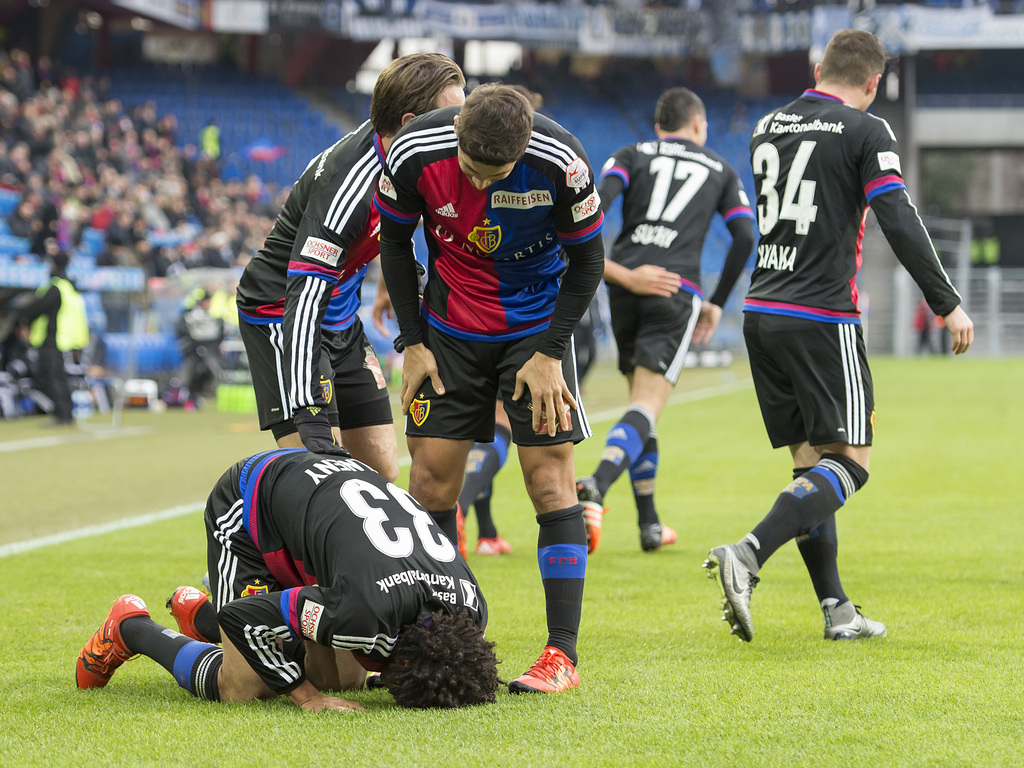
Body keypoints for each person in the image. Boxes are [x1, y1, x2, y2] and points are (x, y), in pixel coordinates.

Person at [704, 29, 974, 643]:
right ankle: (747, 553)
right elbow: (897, 216)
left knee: (811, 466)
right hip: (822, 316)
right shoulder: (867, 129)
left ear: (819, 66)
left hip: (762, 310)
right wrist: (946, 302)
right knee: (852, 465)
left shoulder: (767, 125)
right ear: (874, 83)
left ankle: (837, 609)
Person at [375, 84, 605, 693]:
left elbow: (588, 263)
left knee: (549, 479)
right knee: (429, 482)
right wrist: (412, 341)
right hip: (447, 332)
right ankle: (440, 640)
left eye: (494, 173)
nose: (477, 185)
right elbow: (395, 246)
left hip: (536, 332)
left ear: (524, 148)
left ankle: (562, 656)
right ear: (456, 136)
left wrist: (552, 354)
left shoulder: (564, 162)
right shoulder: (413, 151)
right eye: (471, 170)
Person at [76, 448, 500, 710]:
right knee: (244, 686)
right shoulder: (360, 611)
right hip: (251, 503)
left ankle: (202, 618)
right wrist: (307, 698)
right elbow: (244, 617)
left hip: (325, 520)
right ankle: (131, 627)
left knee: (345, 680)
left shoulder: (472, 611)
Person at [235, 53, 466, 481]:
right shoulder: (351, 182)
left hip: (339, 315)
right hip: (283, 315)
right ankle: (261, 541)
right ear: (412, 121)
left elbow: (392, 230)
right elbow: (303, 294)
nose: (460, 128)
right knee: (324, 475)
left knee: (381, 470)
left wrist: (392, 282)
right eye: (451, 116)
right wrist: (307, 405)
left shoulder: (408, 157)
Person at [575, 87, 756, 554]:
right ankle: (596, 483)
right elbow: (743, 235)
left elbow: (586, 215)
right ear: (698, 125)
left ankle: (650, 525)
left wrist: (625, 277)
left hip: (626, 284)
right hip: (676, 291)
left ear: (659, 127)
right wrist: (715, 301)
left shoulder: (630, 153)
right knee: (647, 405)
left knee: (640, 401)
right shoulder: (720, 167)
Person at [19, 249, 89, 425]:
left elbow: (36, 308)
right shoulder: (70, 287)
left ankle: (62, 415)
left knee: (52, 377)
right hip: (65, 339)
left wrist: (23, 319)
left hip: (52, 338)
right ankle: (66, 413)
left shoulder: (56, 287)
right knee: (59, 377)